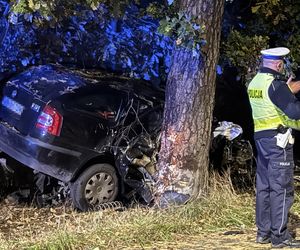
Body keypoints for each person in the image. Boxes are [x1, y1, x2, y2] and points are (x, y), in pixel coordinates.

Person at [248, 47, 300, 248]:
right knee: (282, 189)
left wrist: (286, 91)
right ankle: (280, 237)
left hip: (262, 139)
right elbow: (294, 112)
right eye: (282, 64)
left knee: (265, 187)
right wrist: (288, 94)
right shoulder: (276, 85)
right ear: (279, 64)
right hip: (279, 142)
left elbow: (270, 103)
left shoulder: (255, 83)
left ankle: (264, 233)